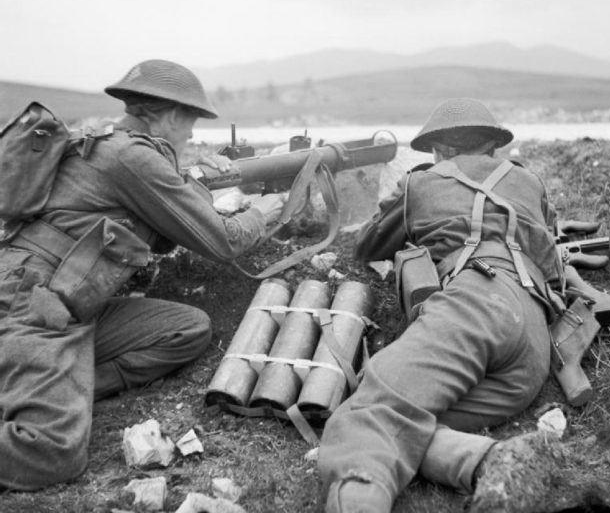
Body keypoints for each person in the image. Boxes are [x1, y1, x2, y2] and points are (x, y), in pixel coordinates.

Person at [0, 59, 285, 490]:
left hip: (69, 299)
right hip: (33, 304)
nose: (191, 132)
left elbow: (162, 230)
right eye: (189, 120)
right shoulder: (132, 156)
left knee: (186, 330)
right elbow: (222, 242)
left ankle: (49, 388)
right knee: (49, 453)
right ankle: (40, 397)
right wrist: (261, 216)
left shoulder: (110, 143)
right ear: (168, 113)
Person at [318, 98, 567, 513]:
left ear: (441, 150)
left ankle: (467, 465)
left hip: (474, 304)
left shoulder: (423, 182)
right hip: (532, 346)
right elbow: (549, 236)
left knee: (363, 419)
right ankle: (493, 462)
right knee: (404, 425)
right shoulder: (528, 180)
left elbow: (369, 244)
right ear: (492, 146)